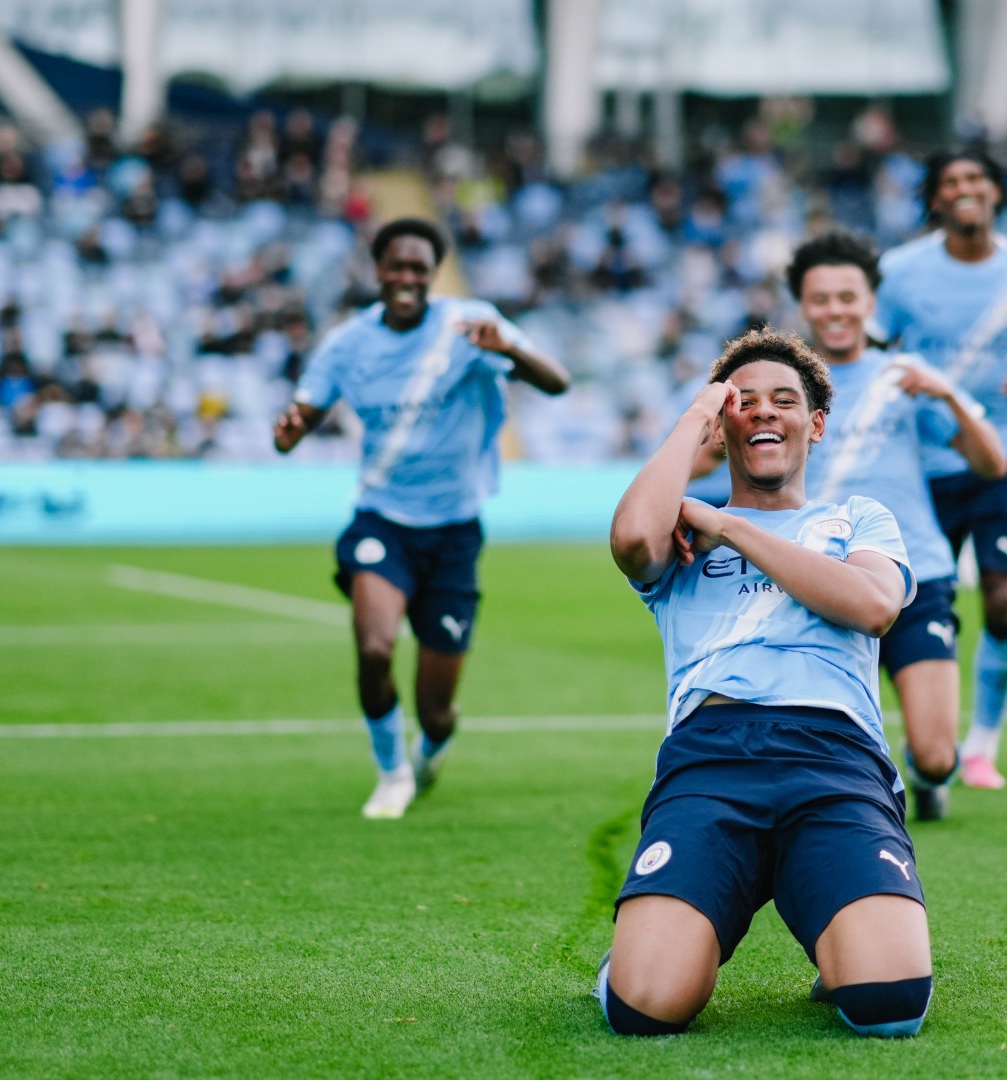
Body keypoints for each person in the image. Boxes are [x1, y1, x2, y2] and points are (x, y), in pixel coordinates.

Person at [600, 329, 932, 1039]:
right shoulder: (674, 528)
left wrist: (729, 528)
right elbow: (630, 541)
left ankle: (826, 914)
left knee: (891, 1008)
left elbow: (874, 607)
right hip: (711, 759)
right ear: (723, 425)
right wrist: (697, 416)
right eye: (742, 402)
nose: (763, 413)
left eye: (784, 400)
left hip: (836, 760)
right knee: (644, 1009)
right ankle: (642, 949)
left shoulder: (856, 518)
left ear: (816, 424)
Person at [272, 217, 570, 819]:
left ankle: (431, 746)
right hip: (381, 520)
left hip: (455, 532)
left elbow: (557, 382)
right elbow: (300, 417)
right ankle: (391, 774)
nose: (408, 277)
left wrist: (508, 350)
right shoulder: (348, 343)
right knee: (375, 648)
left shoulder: (469, 324)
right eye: (397, 266)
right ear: (378, 270)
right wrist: (291, 429)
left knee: (436, 711)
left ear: (432, 275)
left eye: (419, 268)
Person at [873, 145, 1007, 791]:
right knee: (900, 604)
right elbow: (869, 353)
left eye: (976, 178)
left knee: (1002, 599)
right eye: (951, 181)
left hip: (1000, 460)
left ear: (995, 191)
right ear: (935, 197)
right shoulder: (899, 272)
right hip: (919, 466)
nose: (965, 188)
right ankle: (917, 736)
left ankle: (982, 747)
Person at [783, 228, 1007, 817]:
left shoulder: (904, 378)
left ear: (870, 303)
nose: (835, 310)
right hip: (816, 577)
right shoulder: (783, 385)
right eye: (821, 299)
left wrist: (948, 394)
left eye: (847, 297)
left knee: (935, 757)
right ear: (803, 306)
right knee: (813, 759)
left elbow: (992, 464)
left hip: (914, 573)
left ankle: (926, 773)